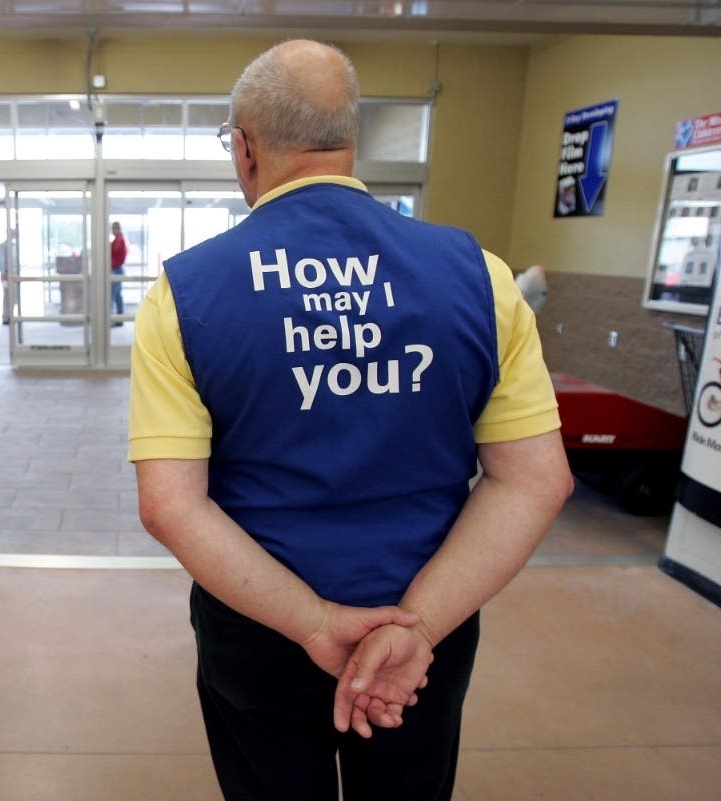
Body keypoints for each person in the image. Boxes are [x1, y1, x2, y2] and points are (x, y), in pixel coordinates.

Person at [128, 39, 573, 801]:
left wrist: (312, 621)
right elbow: (534, 479)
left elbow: (171, 502)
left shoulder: (185, 294)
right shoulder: (482, 278)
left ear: (244, 147)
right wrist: (417, 628)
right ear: (349, 141)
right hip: (420, 638)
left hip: (260, 636)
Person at [110, 221, 127, 326]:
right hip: (116, 269)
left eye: (115, 228)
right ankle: (118, 318)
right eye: (113, 228)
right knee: (117, 295)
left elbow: (115, 251)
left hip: (117, 270)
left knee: (113, 294)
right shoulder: (117, 240)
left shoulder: (120, 240)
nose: (114, 230)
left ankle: (116, 319)